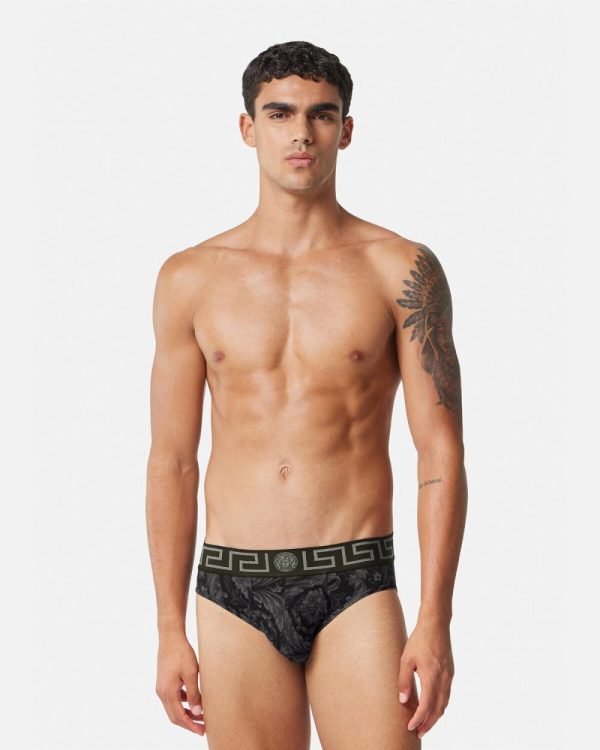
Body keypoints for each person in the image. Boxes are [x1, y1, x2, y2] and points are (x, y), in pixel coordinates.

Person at [146, 40, 468, 749]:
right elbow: (172, 460)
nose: (301, 133)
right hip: (232, 587)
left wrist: (435, 619)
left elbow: (440, 453)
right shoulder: (190, 278)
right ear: (247, 127)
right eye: (280, 113)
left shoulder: (400, 269)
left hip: (355, 578)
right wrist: (169, 628)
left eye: (322, 115)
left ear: (346, 130)